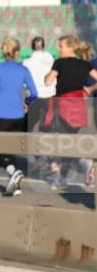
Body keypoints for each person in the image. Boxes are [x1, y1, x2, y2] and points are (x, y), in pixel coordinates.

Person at [0, 38, 37, 196]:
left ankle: (14, 172)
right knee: (10, 150)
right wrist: (27, 103)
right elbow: (34, 93)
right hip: (19, 116)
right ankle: (16, 187)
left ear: (2, 52)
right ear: (17, 52)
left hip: (2, 115)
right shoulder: (23, 70)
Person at [44, 36, 97, 190]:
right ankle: (62, 178)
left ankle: (85, 166)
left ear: (70, 48)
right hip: (78, 108)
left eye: (60, 46)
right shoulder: (85, 64)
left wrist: (47, 76)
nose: (58, 49)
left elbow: (48, 82)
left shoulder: (59, 63)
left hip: (62, 107)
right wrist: (88, 90)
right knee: (69, 142)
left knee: (64, 143)